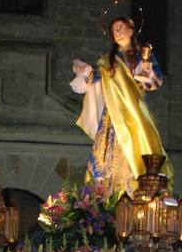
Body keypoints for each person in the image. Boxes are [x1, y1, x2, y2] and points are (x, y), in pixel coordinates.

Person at [71, 16, 171, 195]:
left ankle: (135, 191)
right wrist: (85, 73)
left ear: (131, 30)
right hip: (112, 116)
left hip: (134, 113)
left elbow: (153, 82)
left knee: (138, 150)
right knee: (106, 155)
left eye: (120, 27)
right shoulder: (106, 60)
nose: (116, 32)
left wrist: (145, 64)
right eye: (114, 30)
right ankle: (105, 196)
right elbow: (96, 81)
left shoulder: (142, 55)